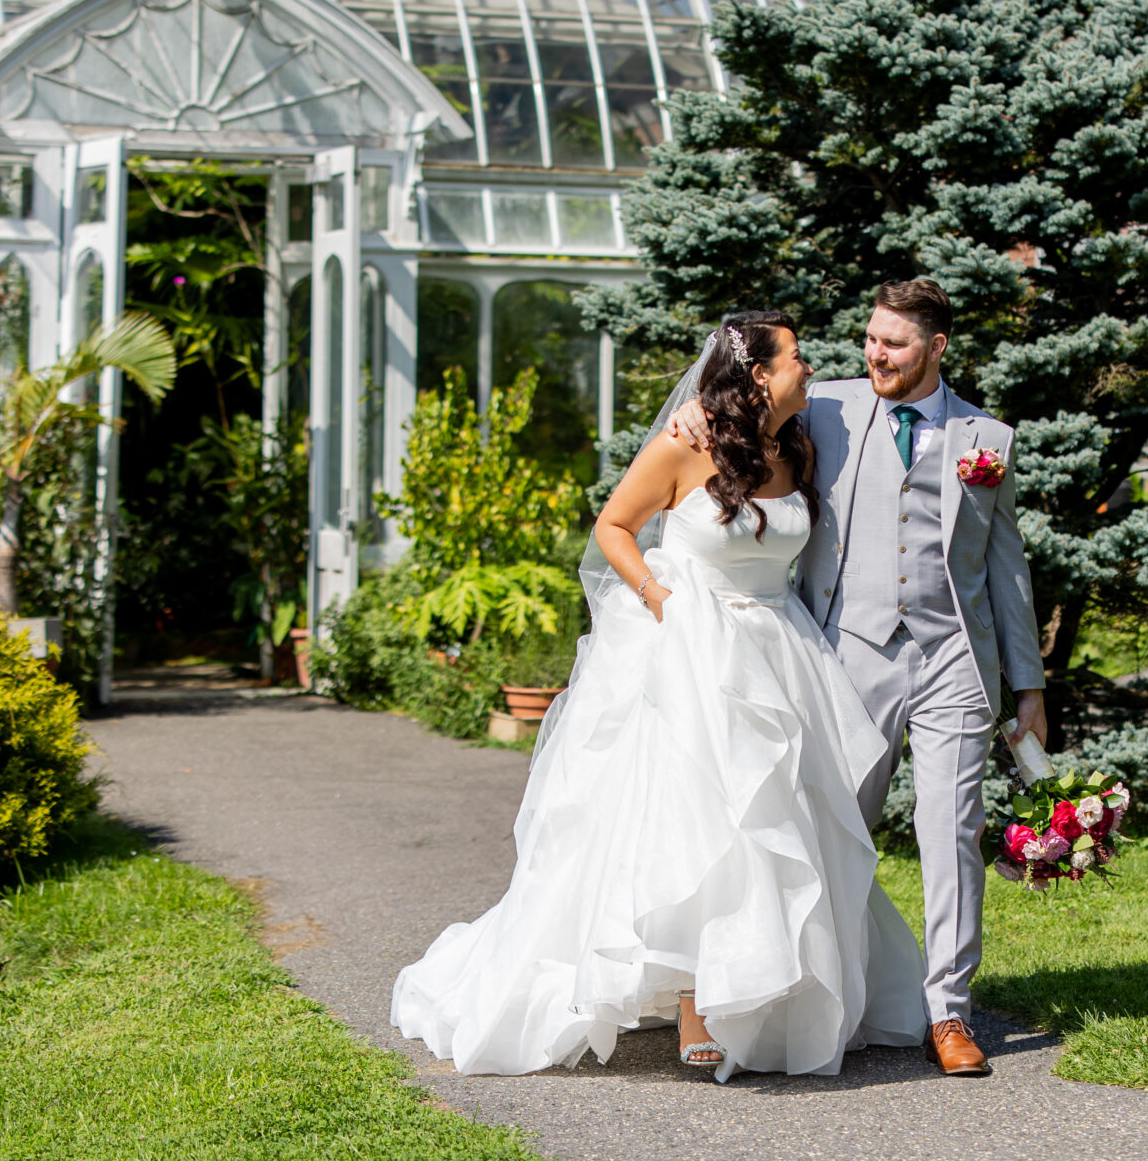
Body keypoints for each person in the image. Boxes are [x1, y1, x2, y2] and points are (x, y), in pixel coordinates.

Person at [390, 309, 926, 1081]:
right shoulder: (687, 440)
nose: (813, 368)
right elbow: (614, 525)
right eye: (798, 358)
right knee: (698, 819)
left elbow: (879, 400)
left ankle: (770, 985)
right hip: (690, 642)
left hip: (780, 646)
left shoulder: (796, 440)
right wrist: (658, 596)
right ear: (758, 374)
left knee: (781, 821)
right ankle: (693, 994)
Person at [674, 277, 1045, 1077]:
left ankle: (949, 1012)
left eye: (895, 343)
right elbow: (738, 404)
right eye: (872, 337)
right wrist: (691, 418)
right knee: (835, 829)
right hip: (853, 651)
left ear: (936, 348)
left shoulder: (988, 439)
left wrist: (1029, 690)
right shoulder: (831, 406)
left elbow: (1008, 570)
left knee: (951, 832)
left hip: (953, 658)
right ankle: (825, 995)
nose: (875, 352)